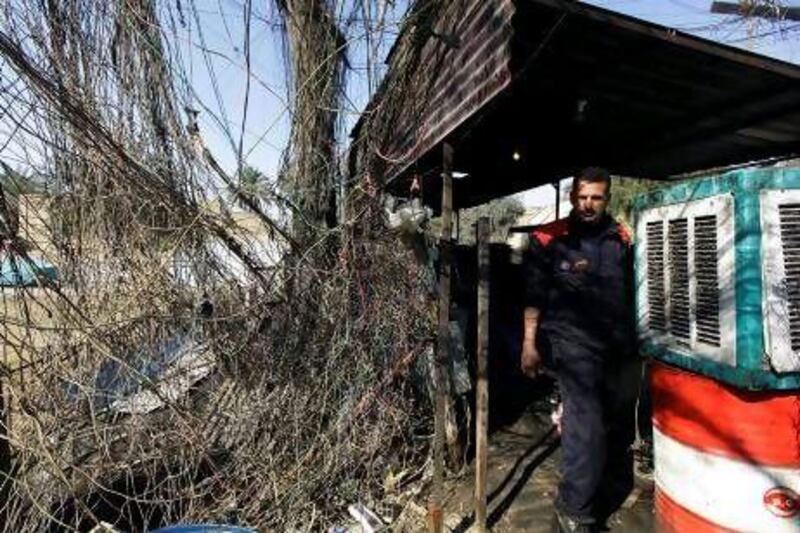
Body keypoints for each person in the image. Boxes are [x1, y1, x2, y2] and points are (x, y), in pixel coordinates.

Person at [521, 167, 640, 533]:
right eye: (583, 197)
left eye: (596, 198)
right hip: (570, 345)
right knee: (586, 428)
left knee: (613, 424)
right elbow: (532, 298)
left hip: (615, 345)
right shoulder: (550, 238)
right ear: (573, 197)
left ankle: (597, 487)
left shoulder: (621, 239)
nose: (588, 205)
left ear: (607, 198)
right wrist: (529, 345)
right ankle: (574, 511)